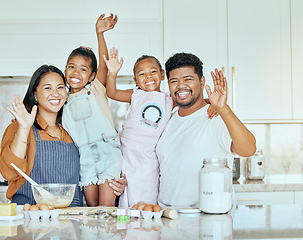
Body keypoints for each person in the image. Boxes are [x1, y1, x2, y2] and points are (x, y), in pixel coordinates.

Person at [156, 52, 256, 207]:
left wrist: (222, 108)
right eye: (174, 81)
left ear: (202, 82)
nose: (181, 86)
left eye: (188, 79)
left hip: (209, 216)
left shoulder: (217, 117)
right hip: (168, 215)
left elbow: (248, 149)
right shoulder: (167, 119)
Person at [0, 65, 83, 206]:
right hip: (30, 218)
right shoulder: (19, 127)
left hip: (70, 219)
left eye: (60, 87)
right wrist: (24, 129)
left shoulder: (73, 131)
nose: (55, 93)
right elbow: (10, 172)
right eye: (47, 88)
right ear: (35, 95)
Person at [62, 14, 122, 207]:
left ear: (91, 76)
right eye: (71, 67)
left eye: (83, 69)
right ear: (65, 70)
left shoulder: (96, 89)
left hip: (108, 152)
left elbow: (104, 64)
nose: (75, 72)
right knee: (92, 209)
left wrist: (100, 33)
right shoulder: (61, 99)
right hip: (84, 157)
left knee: (106, 209)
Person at [103, 48, 173, 208]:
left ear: (162, 74)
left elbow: (192, 104)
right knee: (127, 188)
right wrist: (112, 73)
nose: (148, 76)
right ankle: (128, 225)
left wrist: (211, 104)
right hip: (129, 151)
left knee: (148, 189)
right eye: (142, 74)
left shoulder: (169, 100)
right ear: (135, 80)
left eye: (153, 71)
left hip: (151, 154)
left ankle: (145, 226)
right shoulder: (135, 95)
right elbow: (111, 93)